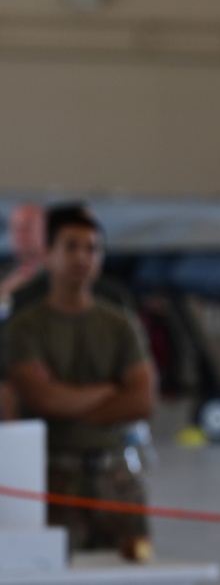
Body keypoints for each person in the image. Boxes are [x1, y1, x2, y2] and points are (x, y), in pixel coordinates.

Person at [2, 204, 157, 553]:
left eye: (92, 248)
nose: (82, 257)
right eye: (71, 247)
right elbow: (42, 398)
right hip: (53, 477)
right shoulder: (26, 326)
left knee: (134, 567)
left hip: (115, 477)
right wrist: (108, 391)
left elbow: (142, 400)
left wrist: (67, 401)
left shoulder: (119, 323)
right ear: (49, 253)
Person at [0, 202, 48, 420]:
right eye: (15, 228)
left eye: (28, 227)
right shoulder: (6, 278)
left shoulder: (62, 279)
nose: (20, 234)